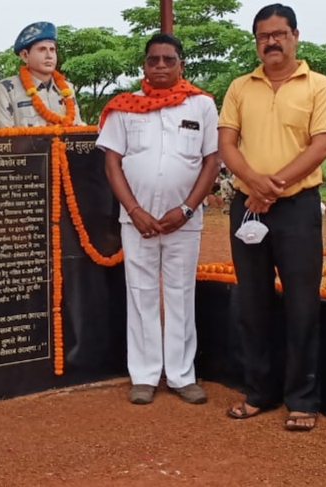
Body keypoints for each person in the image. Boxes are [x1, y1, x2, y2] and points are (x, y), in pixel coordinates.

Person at [219, 4, 326, 431]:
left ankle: (302, 399)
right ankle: (259, 392)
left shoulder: (319, 86)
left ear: (295, 36)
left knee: (302, 303)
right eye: (264, 35)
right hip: (247, 205)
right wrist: (254, 184)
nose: (271, 41)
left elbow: (321, 146)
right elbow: (228, 144)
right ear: (256, 41)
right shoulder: (239, 87)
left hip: (297, 208)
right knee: (252, 302)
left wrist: (273, 188)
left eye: (279, 34)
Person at [96, 33, 219, 405]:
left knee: (182, 294)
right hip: (137, 221)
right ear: (144, 66)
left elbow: (212, 162)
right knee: (141, 294)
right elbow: (112, 162)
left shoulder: (202, 106)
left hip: (185, 220)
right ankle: (145, 375)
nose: (161, 66)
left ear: (181, 64)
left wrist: (186, 210)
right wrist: (135, 211)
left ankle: (182, 376)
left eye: (169, 59)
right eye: (154, 60)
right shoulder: (123, 107)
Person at [0, 22, 83, 127]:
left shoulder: (68, 88)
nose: (49, 55)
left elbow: (77, 127)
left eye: (52, 50)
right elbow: (4, 137)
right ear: (25, 55)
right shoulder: (7, 89)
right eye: (42, 49)